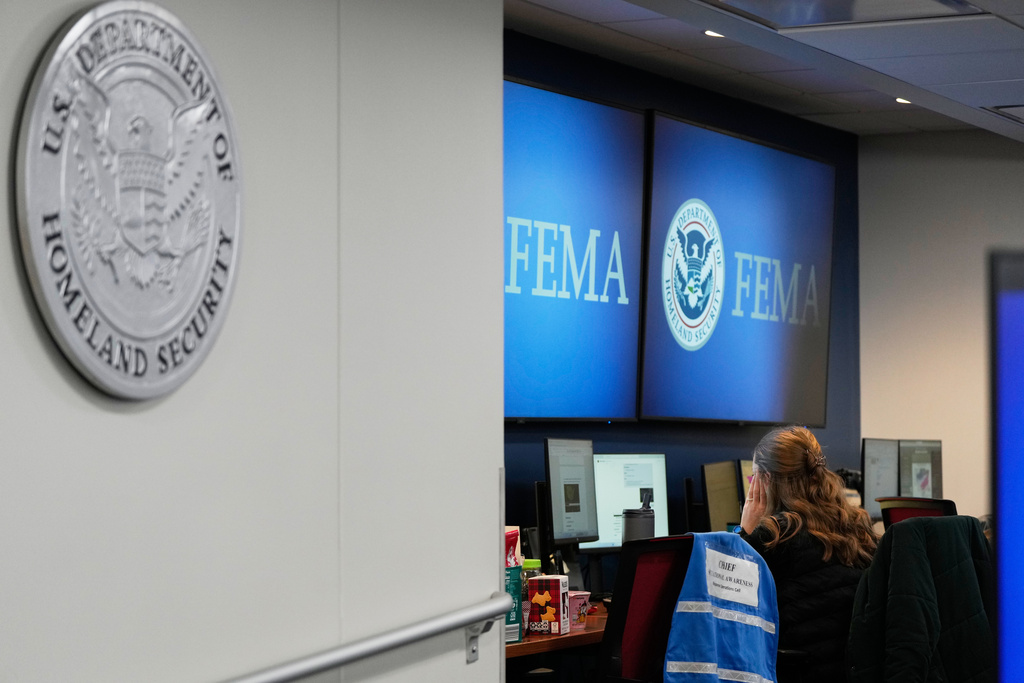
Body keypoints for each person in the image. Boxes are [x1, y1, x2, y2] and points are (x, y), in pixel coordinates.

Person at [738, 425, 878, 683]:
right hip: (851, 671)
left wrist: (745, 531)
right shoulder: (857, 525)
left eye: (754, 476)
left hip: (798, 672)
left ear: (766, 480)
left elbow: (731, 597)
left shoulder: (776, 534)